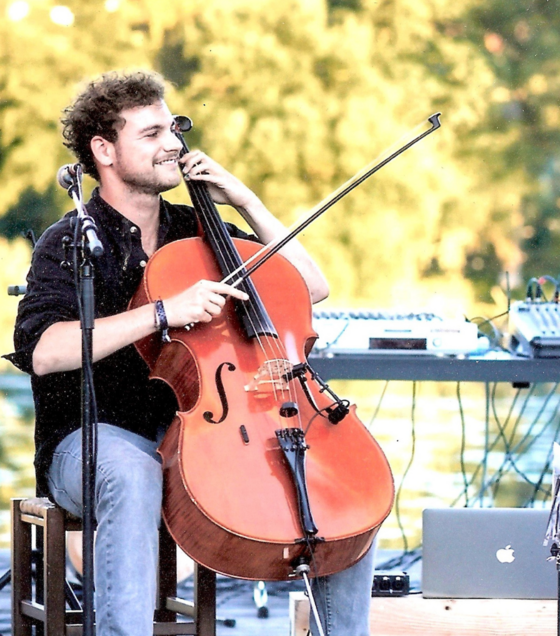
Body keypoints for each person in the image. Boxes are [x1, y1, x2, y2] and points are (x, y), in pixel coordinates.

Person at [5, 70, 375, 636]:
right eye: (151, 134)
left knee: (337, 486)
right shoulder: (71, 240)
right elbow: (44, 351)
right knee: (134, 471)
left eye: (173, 128)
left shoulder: (199, 231)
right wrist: (162, 312)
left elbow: (309, 286)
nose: (173, 144)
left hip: (205, 436)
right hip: (92, 442)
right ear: (104, 150)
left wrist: (245, 200)